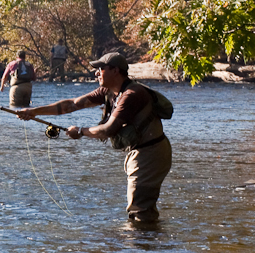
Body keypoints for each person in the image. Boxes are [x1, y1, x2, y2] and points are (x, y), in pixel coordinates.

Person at [14, 51, 171, 223]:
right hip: (141, 152)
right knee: (141, 209)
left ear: (115, 71)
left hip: (151, 153)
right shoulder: (109, 91)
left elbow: (107, 130)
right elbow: (72, 105)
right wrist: (33, 112)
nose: (96, 72)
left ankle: (142, 245)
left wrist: (81, 131)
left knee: (139, 212)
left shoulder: (132, 95)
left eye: (100, 68)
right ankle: (151, 243)